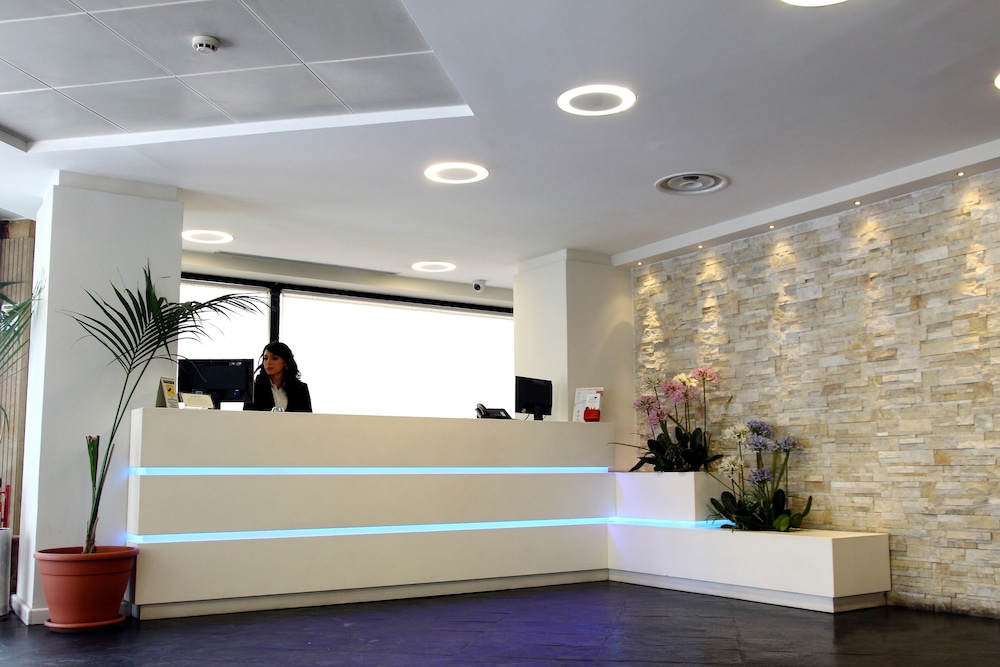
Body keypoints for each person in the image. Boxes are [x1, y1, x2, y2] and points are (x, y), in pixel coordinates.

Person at [244, 341, 312, 412]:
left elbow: (307, 416)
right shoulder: (254, 389)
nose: (268, 362)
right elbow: (247, 416)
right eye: (265, 358)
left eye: (274, 358)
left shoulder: (300, 389)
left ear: (285, 362)